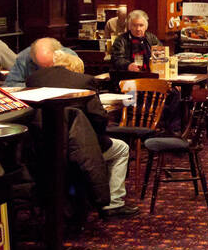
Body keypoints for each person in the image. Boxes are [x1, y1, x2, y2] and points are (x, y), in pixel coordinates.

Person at [26, 50, 139, 218]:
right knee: (122, 148)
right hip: (77, 148)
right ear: (76, 68)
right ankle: (114, 203)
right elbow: (99, 120)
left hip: (39, 146)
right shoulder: (85, 81)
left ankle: (87, 194)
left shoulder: (34, 79)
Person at [4, 37, 79, 89]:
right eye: (42, 66)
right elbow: (10, 85)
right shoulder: (24, 57)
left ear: (58, 54)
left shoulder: (70, 57)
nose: (46, 70)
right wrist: (36, 85)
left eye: (50, 65)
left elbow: (77, 83)